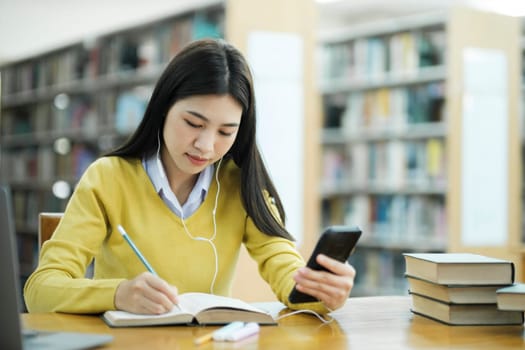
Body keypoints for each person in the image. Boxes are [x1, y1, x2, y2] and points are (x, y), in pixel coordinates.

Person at [24, 38, 356, 315]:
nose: (206, 146)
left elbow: (284, 268)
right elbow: (41, 290)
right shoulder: (109, 178)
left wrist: (320, 291)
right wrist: (118, 294)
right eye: (194, 124)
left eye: (226, 131)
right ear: (164, 107)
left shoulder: (239, 183)